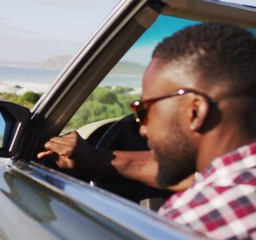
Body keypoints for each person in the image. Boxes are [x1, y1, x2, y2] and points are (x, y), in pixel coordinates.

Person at [38, 22, 256, 239]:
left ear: (195, 112)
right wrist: (94, 159)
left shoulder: (196, 221)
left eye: (145, 110)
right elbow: (196, 174)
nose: (142, 129)